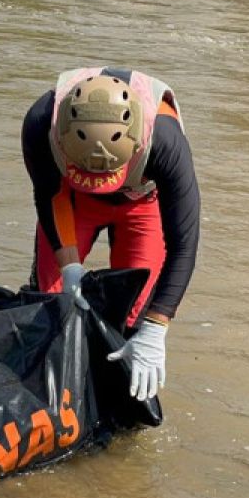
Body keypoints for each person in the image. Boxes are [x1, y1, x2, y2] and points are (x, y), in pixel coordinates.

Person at [21, 67, 200, 402]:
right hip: (72, 199)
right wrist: (70, 265)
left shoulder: (165, 139)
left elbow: (184, 243)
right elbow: (47, 195)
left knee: (136, 315)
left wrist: (157, 326)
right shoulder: (40, 122)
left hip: (142, 201)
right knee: (51, 296)